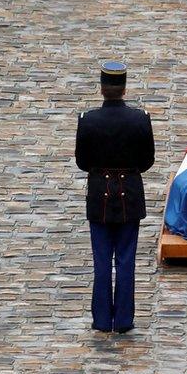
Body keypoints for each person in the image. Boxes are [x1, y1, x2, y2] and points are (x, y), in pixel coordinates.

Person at [75, 61, 155, 333]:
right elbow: (147, 161)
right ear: (124, 89)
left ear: (102, 89)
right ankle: (123, 320)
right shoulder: (140, 119)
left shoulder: (88, 120)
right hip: (128, 194)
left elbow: (83, 162)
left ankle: (100, 320)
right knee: (125, 259)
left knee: (101, 260)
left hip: (99, 194)